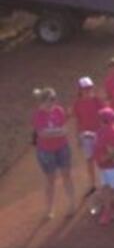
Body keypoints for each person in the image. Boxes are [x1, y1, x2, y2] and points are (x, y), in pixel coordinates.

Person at [32, 87, 76, 219]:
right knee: (50, 180)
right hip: (46, 151)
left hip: (62, 147)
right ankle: (49, 209)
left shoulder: (59, 110)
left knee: (66, 175)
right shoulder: (38, 115)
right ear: (43, 101)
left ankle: (72, 204)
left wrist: (53, 132)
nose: (54, 102)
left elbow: (63, 129)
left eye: (54, 99)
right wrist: (57, 132)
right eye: (51, 99)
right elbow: (42, 134)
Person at [71, 76, 103, 199]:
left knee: (101, 159)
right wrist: (78, 136)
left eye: (89, 88)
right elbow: (77, 121)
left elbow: (104, 115)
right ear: (80, 90)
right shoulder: (77, 103)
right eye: (85, 89)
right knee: (89, 160)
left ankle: (103, 183)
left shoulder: (97, 100)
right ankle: (93, 185)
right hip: (85, 135)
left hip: (99, 134)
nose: (88, 90)